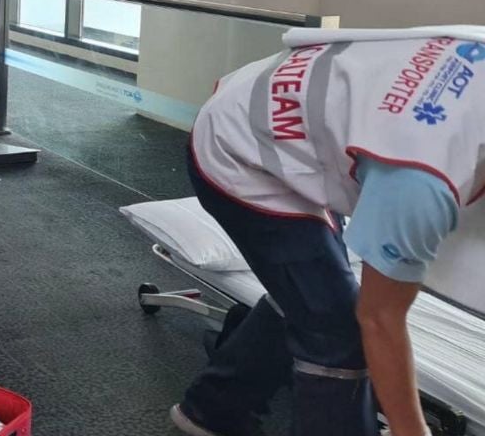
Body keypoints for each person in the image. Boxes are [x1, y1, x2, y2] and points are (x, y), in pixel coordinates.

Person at [170, 26, 485, 436]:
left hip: (293, 114)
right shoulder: (420, 180)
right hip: (240, 151)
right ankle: (215, 410)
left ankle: (213, 410)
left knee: (311, 291)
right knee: (339, 333)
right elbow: (379, 318)